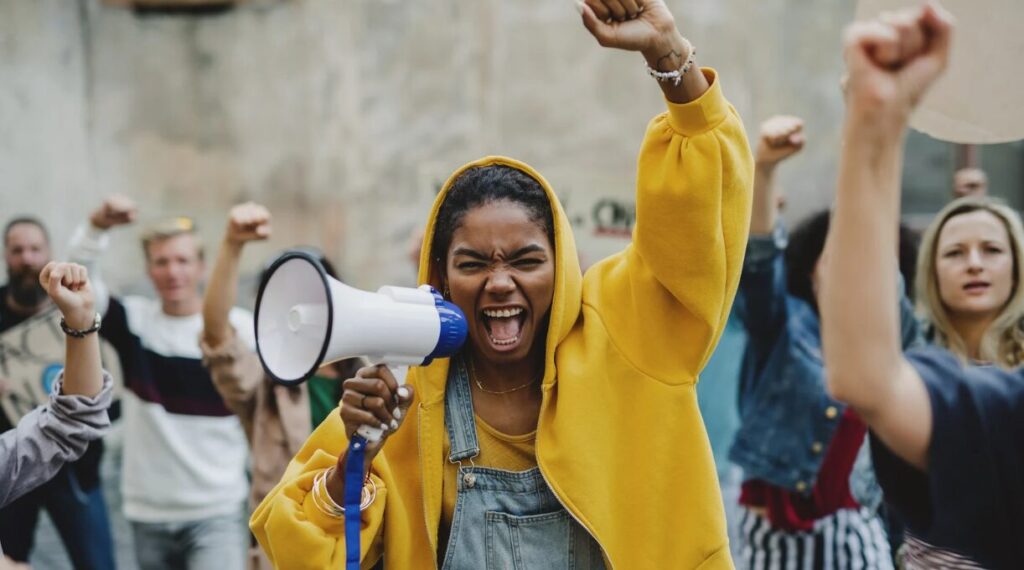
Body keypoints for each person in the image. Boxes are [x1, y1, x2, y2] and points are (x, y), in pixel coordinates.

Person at [251, 0, 753, 567]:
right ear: (438, 276)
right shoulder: (407, 400)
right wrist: (356, 457)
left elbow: (695, 217)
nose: (499, 283)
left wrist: (668, 53)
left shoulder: (629, 334)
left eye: (525, 260)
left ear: (562, 266)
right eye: (473, 264)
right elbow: (299, 548)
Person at [822, 4, 1024, 568]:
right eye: (956, 252)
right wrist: (871, 128)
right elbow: (867, 370)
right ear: (930, 270)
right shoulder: (928, 360)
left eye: (992, 249)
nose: (975, 264)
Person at [728, 115, 921, 568]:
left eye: (864, 256)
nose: (851, 266)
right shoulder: (784, 326)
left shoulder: (897, 338)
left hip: (857, 527)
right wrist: (765, 168)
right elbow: (757, 265)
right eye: (835, 256)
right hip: (774, 535)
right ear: (810, 271)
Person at [69, 197, 252, 570]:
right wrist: (96, 227)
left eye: (183, 260)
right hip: (147, 512)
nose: (173, 272)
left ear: (202, 267)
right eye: (161, 262)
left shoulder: (242, 330)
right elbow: (77, 288)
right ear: (149, 270)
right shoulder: (135, 322)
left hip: (217, 510)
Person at [200, 202, 362, 570]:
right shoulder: (266, 384)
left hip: (361, 543)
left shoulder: (369, 374)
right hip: (286, 553)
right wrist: (231, 245)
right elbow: (216, 338)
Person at [0, 218, 116, 569]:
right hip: (16, 453)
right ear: (6, 256)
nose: (27, 258)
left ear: (48, 253)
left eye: (35, 249)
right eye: (18, 250)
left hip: (70, 466)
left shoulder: (64, 299)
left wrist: (80, 320)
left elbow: (72, 420)